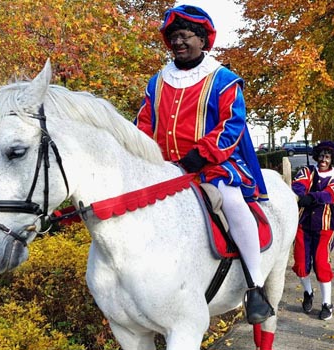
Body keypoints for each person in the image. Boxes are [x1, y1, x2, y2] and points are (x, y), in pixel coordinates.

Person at [134, 5, 272, 324]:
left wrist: (201, 155)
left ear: (202, 39)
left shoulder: (223, 79)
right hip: (163, 166)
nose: (178, 43)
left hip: (213, 165)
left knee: (235, 205)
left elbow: (232, 125)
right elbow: (143, 122)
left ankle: (255, 286)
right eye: (173, 37)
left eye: (184, 36)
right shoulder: (156, 82)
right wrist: (142, 154)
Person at [291, 141, 334, 320]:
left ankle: (327, 304)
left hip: (325, 226)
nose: (323, 160)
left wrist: (311, 197)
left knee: (321, 264)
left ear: (332, 159)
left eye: (327, 157)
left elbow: (329, 195)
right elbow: (297, 185)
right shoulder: (307, 171)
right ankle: (308, 293)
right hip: (303, 224)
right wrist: (301, 194)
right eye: (321, 156)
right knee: (301, 263)